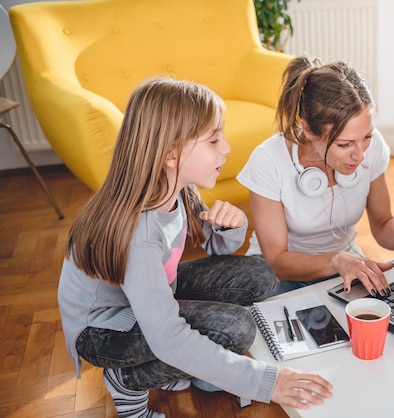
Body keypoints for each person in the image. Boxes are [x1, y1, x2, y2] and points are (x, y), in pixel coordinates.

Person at [57, 78, 332, 418]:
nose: (227, 148)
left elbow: (216, 248)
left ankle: (166, 366)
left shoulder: (175, 188)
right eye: (214, 139)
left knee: (259, 273)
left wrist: (231, 227)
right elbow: (168, 337)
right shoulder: (138, 234)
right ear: (171, 154)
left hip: (150, 294)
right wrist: (267, 382)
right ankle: (127, 378)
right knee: (236, 328)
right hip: (104, 329)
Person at [237, 56, 394, 297]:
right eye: (344, 144)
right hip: (280, 274)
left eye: (367, 137)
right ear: (308, 129)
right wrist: (336, 260)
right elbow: (277, 259)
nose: (361, 155)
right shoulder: (269, 161)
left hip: (345, 265)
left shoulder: (372, 148)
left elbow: (382, 225)